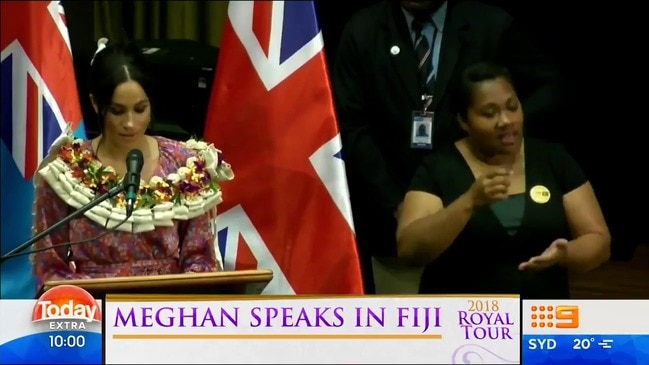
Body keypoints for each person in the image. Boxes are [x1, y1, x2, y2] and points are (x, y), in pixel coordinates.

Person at [331, 0, 563, 294]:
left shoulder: (490, 25)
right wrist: (394, 203)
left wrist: (503, 131)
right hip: (389, 224)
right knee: (408, 332)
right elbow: (350, 126)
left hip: (482, 232)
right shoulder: (363, 30)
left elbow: (550, 88)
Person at [30, 38, 234, 294]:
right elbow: (51, 267)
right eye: (117, 111)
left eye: (140, 109)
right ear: (96, 104)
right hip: (93, 312)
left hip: (166, 312)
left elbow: (200, 259)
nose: (130, 123)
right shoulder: (68, 169)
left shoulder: (183, 163)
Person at [396, 62, 609, 298]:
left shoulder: (553, 159)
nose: (506, 120)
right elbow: (409, 249)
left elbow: (598, 240)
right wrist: (468, 202)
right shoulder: (438, 168)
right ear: (463, 120)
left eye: (512, 107)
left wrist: (565, 254)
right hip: (462, 321)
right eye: (489, 113)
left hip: (539, 321)